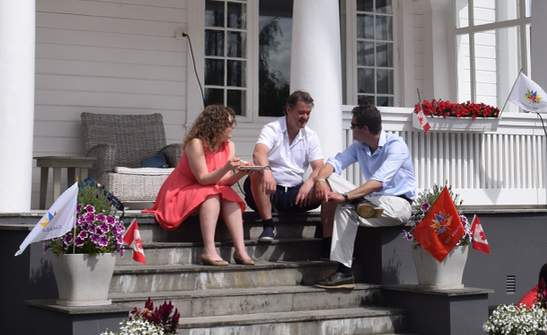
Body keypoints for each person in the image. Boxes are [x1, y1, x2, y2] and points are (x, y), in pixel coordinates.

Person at [312, 104, 416, 289]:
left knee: (345, 205)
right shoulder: (360, 146)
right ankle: (344, 272)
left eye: (353, 126)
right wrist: (320, 179)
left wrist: (345, 196)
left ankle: (358, 201)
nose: (351, 129)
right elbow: (335, 163)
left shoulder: (396, 146)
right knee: (334, 184)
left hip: (398, 204)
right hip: (372, 202)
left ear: (365, 129)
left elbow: (378, 182)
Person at [149, 104, 256, 266]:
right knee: (211, 195)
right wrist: (227, 167)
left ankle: (240, 251)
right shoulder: (196, 144)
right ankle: (209, 251)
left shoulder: (229, 145)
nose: (233, 127)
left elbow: (224, 181)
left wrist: (242, 172)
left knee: (230, 196)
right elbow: (203, 179)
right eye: (230, 123)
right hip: (180, 191)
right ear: (216, 124)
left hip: (206, 189)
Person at [245, 90, 324, 242]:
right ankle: (268, 226)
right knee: (257, 172)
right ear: (288, 110)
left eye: (308, 113)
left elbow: (319, 167)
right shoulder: (272, 128)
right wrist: (267, 171)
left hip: (296, 194)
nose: (305, 117)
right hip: (268, 191)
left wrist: (309, 182)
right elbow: (259, 152)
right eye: (301, 112)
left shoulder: (311, 136)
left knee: (327, 184)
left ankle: (328, 241)